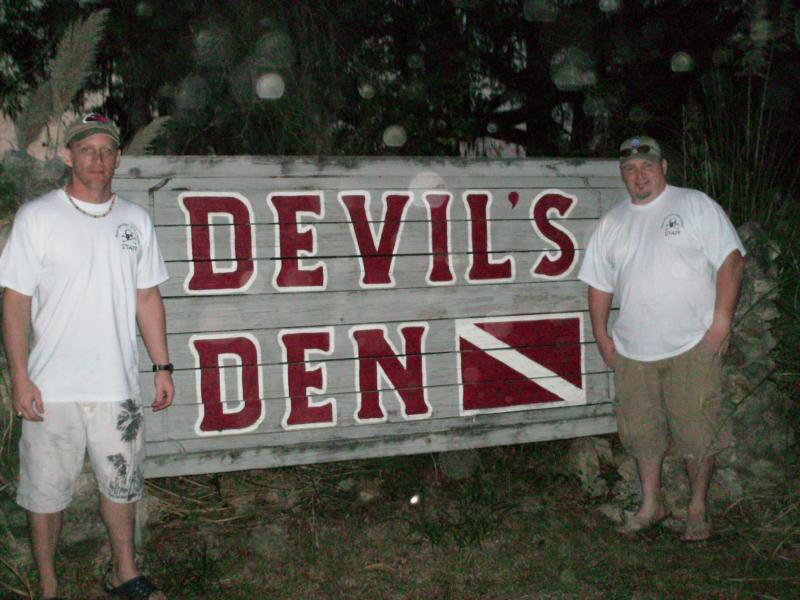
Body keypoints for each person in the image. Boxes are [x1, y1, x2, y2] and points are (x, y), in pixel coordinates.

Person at [0, 113, 172, 599]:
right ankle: (48, 584)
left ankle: (125, 573)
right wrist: (20, 376)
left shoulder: (135, 220)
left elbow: (147, 298)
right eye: (87, 149)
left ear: (118, 157)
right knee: (44, 493)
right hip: (50, 388)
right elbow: (15, 299)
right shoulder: (39, 217)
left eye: (106, 150)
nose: (97, 159)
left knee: (122, 486)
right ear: (70, 155)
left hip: (116, 386)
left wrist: (161, 365)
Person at [578, 135, 745, 542]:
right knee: (641, 432)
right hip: (633, 351)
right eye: (630, 169)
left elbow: (731, 260)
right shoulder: (612, 222)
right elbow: (599, 283)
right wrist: (601, 336)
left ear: (663, 167)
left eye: (647, 166)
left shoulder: (695, 205)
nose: (639, 175)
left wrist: (721, 322)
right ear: (622, 175)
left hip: (693, 345)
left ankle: (697, 509)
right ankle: (651, 503)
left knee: (698, 431)